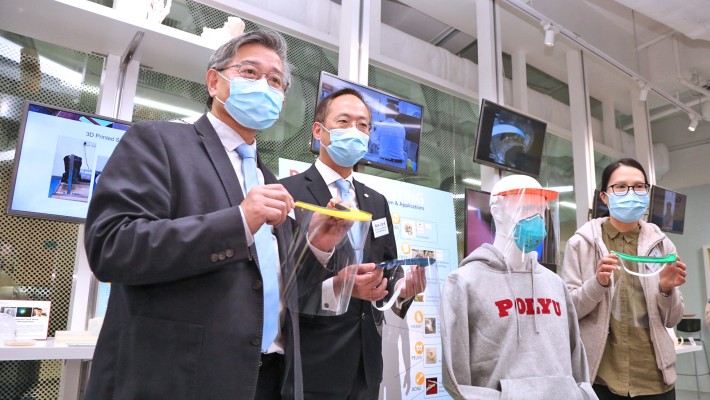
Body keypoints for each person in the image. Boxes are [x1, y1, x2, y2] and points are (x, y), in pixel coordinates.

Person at [84, 30, 303, 400]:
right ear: (214, 81)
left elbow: (271, 285)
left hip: (269, 377)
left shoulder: (270, 181)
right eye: (250, 72)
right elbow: (112, 246)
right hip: (181, 379)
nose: (265, 85)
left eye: (275, 80)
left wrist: (322, 248)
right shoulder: (158, 141)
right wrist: (238, 222)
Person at [280, 88, 424, 399]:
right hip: (311, 360)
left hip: (367, 364)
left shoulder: (376, 202)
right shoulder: (288, 193)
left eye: (362, 125)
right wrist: (338, 287)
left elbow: (388, 264)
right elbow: (281, 279)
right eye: (344, 122)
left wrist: (401, 291)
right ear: (319, 131)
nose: (354, 131)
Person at [441, 174, 597, 400]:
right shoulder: (464, 283)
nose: (535, 218)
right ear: (496, 210)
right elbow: (457, 379)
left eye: (540, 210)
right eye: (525, 207)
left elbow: (577, 363)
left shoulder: (555, 284)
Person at [561, 158, 687, 400]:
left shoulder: (662, 245)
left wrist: (666, 291)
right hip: (601, 378)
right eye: (620, 187)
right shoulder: (581, 244)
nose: (631, 193)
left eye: (639, 187)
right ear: (604, 197)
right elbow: (570, 311)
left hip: (654, 379)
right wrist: (597, 283)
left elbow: (672, 318)